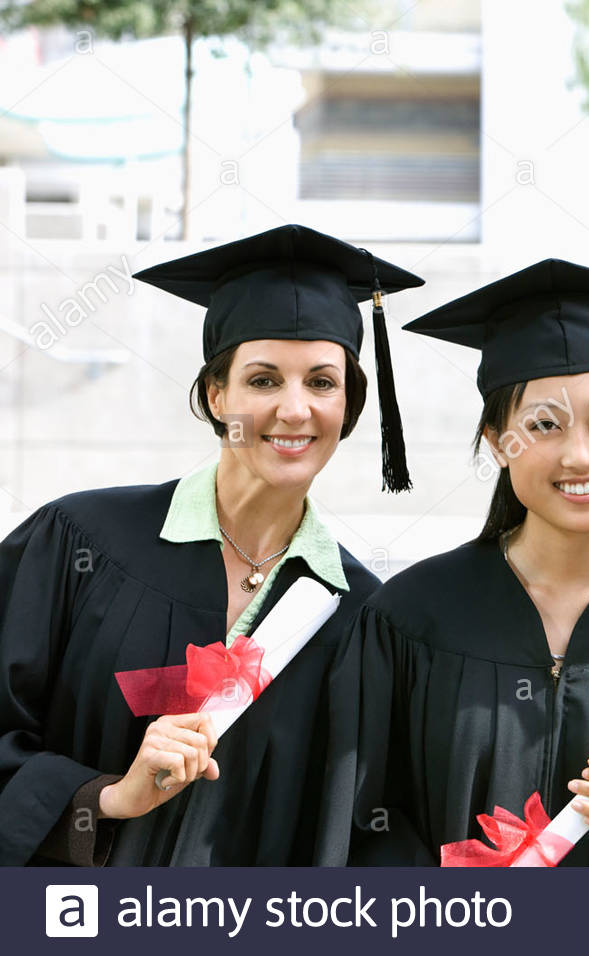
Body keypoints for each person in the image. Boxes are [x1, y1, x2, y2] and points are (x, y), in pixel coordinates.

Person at [0, 224, 422, 865]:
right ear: (216, 394)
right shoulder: (78, 542)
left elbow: (370, 827)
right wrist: (104, 799)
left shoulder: (364, 616)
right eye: (263, 381)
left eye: (321, 382)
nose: (295, 410)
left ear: (349, 405)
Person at [325, 259, 589, 866]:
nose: (579, 455)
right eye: (544, 425)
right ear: (498, 442)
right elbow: (356, 826)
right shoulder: (410, 619)